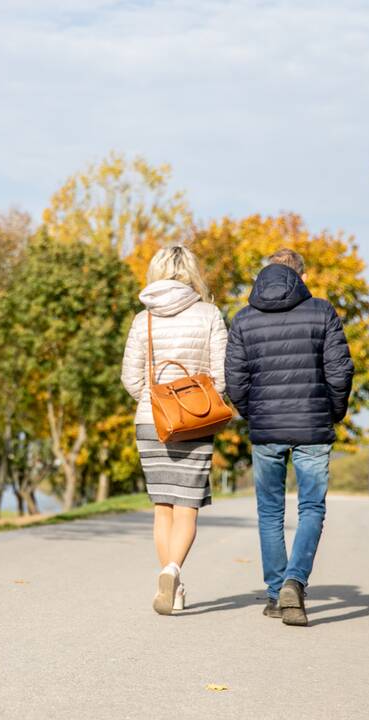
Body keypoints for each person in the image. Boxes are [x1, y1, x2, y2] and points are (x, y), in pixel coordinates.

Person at [225, 248, 354, 627]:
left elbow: (235, 380)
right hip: (313, 426)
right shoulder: (322, 311)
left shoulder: (244, 319)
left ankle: (274, 592)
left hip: (266, 430)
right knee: (311, 508)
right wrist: (332, 411)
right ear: (300, 275)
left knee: (270, 512)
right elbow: (340, 371)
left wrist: (254, 414)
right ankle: (294, 583)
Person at [121, 245, 227, 615]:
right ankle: (173, 570)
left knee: (162, 506)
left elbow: (130, 378)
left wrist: (157, 402)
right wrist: (192, 403)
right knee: (187, 508)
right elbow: (222, 376)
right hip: (195, 421)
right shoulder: (210, 314)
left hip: (152, 421)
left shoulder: (143, 319)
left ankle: (171, 584)